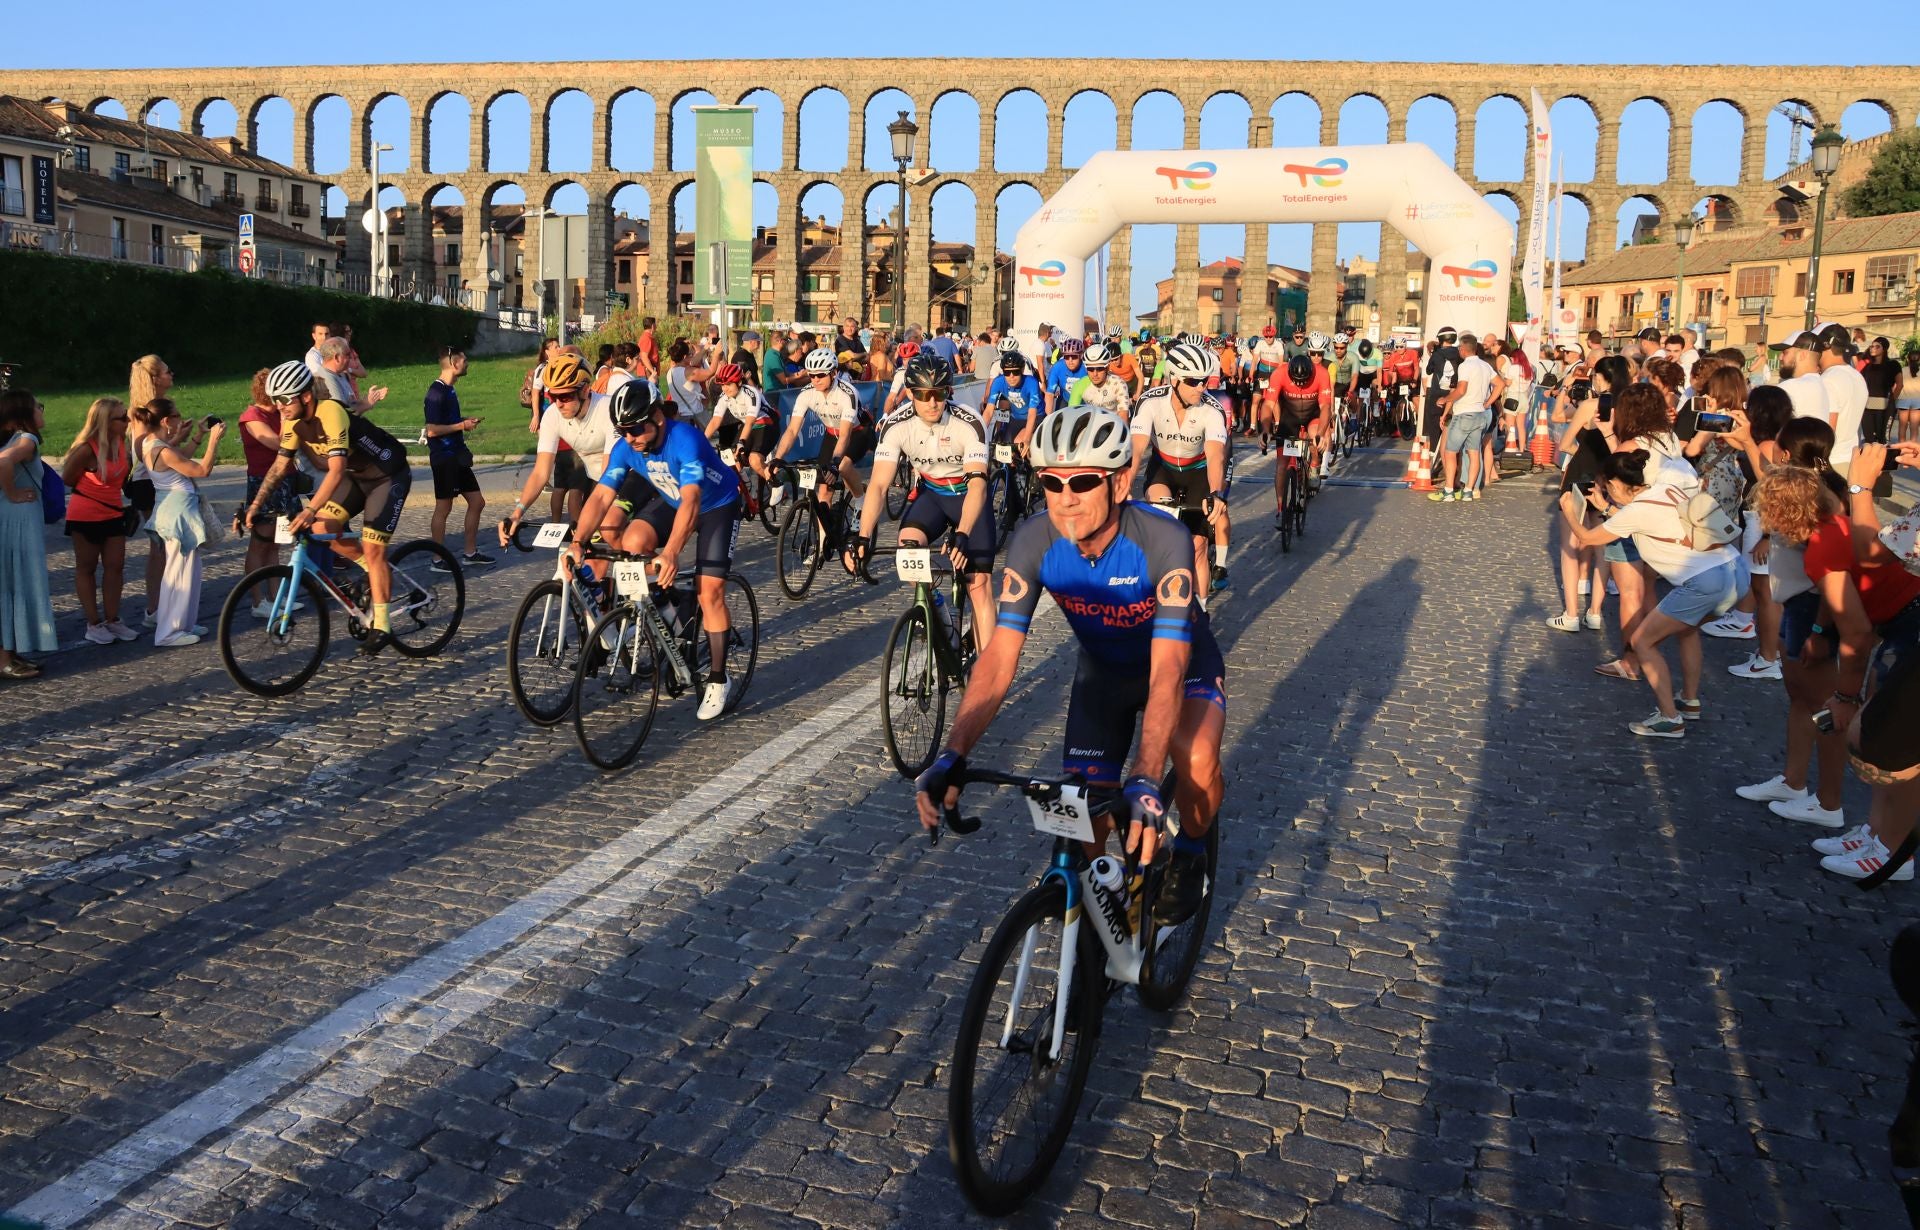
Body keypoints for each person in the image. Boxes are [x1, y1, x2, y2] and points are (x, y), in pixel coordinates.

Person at [913, 405, 1226, 925]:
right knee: (1079, 829)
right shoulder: (1035, 542)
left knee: (1191, 759)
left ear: (1121, 481)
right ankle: (1093, 959)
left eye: (1083, 480)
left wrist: (1147, 778)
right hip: (1103, 675)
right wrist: (953, 752)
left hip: (1181, 665)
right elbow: (998, 659)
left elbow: (1168, 669)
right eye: (1051, 483)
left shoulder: (1162, 542)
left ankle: (1192, 849)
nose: (1066, 499)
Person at [1751, 444, 1920, 879]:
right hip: (1902, 624)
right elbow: (1841, 600)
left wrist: (1845, 695)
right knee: (1886, 745)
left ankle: (1895, 852)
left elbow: (1858, 634)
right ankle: (1879, 834)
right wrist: (1823, 634)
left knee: (1898, 749)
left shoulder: (1822, 547)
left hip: (1907, 628)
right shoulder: (1836, 527)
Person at [564, 381, 742, 721]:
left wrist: (672, 552)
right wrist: (579, 541)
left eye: (634, 429)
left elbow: (693, 501)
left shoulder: (685, 440)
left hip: (715, 505)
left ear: (657, 417)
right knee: (632, 544)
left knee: (710, 592)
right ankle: (673, 608)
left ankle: (719, 678)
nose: (629, 437)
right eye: (622, 431)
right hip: (674, 498)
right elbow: (602, 495)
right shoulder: (627, 446)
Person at [1559, 448, 1745, 738]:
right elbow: (1642, 521)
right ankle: (1690, 702)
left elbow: (1587, 538)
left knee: (1643, 641)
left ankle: (1670, 719)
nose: (1608, 496)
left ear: (1617, 484)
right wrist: (1608, 510)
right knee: (1687, 630)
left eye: (1608, 490)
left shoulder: (1634, 511)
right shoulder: (1664, 490)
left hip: (1705, 582)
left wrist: (1571, 512)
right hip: (1735, 569)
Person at [239, 361, 411, 657]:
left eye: (283, 399)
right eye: (274, 400)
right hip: (357, 478)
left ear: (305, 396)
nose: (278, 406)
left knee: (372, 545)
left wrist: (310, 508)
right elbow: (280, 464)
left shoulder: (330, 413)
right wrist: (254, 505)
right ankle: (374, 573)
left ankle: (383, 625)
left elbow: (334, 470)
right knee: (322, 529)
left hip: (387, 475)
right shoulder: (291, 421)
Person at [1734, 418, 1854, 826]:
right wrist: (1749, 441)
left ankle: (1829, 803)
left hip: (1813, 603)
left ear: (1786, 452)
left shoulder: (1823, 494)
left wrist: (1821, 631)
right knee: (1801, 699)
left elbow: (1834, 567)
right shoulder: (1805, 483)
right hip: (1798, 600)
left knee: (1824, 707)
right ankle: (1794, 780)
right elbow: (1765, 475)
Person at [846, 355, 996, 644]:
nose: (932, 402)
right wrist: (863, 537)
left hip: (968, 498)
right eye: (923, 394)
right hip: (934, 496)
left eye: (939, 393)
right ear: (910, 394)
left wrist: (963, 533)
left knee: (978, 584)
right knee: (907, 552)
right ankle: (938, 611)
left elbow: (978, 487)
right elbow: (877, 486)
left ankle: (988, 677)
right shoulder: (895, 425)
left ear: (948, 392)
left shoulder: (969, 422)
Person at [1133, 343, 1231, 597]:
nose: (1202, 387)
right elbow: (1136, 450)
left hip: (1198, 471)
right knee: (1159, 515)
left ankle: (1200, 609)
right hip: (1163, 469)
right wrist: (1121, 488)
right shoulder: (1150, 403)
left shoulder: (1212, 409)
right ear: (1173, 379)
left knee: (1197, 545)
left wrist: (1216, 493)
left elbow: (1215, 455)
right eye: (1193, 381)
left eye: (1204, 380)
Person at [499, 353, 619, 546]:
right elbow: (540, 473)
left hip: (627, 477)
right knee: (584, 554)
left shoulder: (607, 410)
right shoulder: (553, 415)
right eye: (553, 396)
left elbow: (610, 471)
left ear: (585, 390)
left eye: (565, 396)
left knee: (612, 531)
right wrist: (517, 513)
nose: (558, 403)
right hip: (598, 480)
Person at [134, 398, 224, 648]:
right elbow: (201, 470)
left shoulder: (154, 444)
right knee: (178, 573)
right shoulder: (162, 449)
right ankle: (169, 632)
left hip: (174, 509)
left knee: (189, 571)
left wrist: (196, 436)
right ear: (165, 420)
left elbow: (180, 458)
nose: (180, 417)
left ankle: (182, 623)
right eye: (176, 415)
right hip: (178, 512)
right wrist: (214, 440)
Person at [61, 397, 138, 644]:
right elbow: (68, 478)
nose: (127, 421)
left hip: (113, 512)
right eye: (122, 417)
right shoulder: (86, 449)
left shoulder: (122, 444)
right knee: (87, 567)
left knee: (115, 565)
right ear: (106, 421)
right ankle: (93, 623)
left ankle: (113, 619)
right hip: (85, 514)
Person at [770, 348, 874, 507]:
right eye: (811, 375)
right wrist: (778, 458)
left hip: (857, 433)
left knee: (843, 466)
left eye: (820, 375)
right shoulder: (806, 394)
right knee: (823, 493)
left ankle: (860, 502)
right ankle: (825, 531)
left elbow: (845, 435)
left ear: (834, 373)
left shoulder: (847, 394)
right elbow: (792, 430)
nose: (815, 379)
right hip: (832, 434)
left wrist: (835, 462)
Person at [0, 389, 57, 679]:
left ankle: (10, 650)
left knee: (11, 582)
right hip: (17, 520)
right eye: (38, 406)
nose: (42, 410)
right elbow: (3, 462)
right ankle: (4, 657)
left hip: (11, 519)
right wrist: (12, 493)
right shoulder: (27, 439)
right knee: (14, 583)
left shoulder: (12, 438)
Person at [422, 346, 490, 569]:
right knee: (443, 508)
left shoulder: (450, 390)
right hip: (444, 458)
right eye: (464, 359)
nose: (467, 362)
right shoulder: (436, 392)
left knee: (477, 502)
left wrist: (464, 421)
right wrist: (461, 425)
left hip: (457, 456)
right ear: (453, 363)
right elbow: (431, 430)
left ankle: (470, 553)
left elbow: (446, 421)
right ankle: (437, 559)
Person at [126, 354, 174, 627]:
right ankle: (156, 607)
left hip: (154, 480)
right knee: (160, 545)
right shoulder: (144, 411)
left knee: (162, 545)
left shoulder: (152, 407)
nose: (171, 375)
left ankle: (160, 605)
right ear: (155, 378)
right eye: (168, 371)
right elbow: (142, 449)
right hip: (150, 482)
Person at [1430, 336, 1502, 502]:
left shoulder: (1465, 366)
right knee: (1474, 452)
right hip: (1480, 414)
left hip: (1464, 413)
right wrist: (1488, 402)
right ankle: (1469, 490)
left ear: (1462, 350)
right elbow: (1500, 384)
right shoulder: (1485, 365)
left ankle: (1448, 490)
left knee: (1450, 452)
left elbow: (1461, 390)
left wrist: (1445, 399)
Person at [705, 363, 779, 492]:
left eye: (728, 384)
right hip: (749, 426)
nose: (725, 389)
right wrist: (702, 440)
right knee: (733, 461)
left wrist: (741, 443)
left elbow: (750, 422)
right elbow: (715, 421)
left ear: (739, 382)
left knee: (754, 460)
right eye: (722, 385)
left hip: (767, 424)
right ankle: (746, 490)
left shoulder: (751, 393)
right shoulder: (724, 397)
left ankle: (776, 486)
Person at [1813, 323, 1868, 483]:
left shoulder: (1828, 380)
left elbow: (1828, 430)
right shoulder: (1857, 377)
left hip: (1831, 463)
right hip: (1850, 460)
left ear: (1825, 345)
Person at [985, 351, 1045, 453]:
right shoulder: (998, 382)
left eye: (1016, 372)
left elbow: (1032, 414)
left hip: (1036, 417)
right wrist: (979, 433)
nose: (1011, 376)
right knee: (1006, 450)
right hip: (1015, 418)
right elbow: (988, 411)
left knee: (1019, 443)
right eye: (1007, 373)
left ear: (1022, 370)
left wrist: (1026, 439)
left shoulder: (1031, 383)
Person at [1069, 343, 1132, 421]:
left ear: (1108, 368)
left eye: (1099, 368)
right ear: (1086, 369)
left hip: (1115, 424)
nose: (1095, 374)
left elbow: (1123, 416)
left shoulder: (1118, 384)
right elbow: (1071, 415)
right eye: (1091, 369)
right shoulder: (1079, 385)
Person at [1861, 336, 1903, 446]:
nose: (1872, 348)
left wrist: (1892, 401)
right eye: (1871, 346)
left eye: (1877, 346)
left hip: (1885, 406)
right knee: (1869, 439)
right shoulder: (1867, 365)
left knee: (1883, 439)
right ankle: (1870, 462)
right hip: (1867, 406)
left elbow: (1900, 384)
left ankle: (1885, 462)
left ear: (1884, 349)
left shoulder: (1893, 364)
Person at [664, 338, 712, 424]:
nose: (692, 356)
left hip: (680, 414)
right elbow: (710, 373)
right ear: (684, 357)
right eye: (690, 354)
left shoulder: (670, 372)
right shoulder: (687, 372)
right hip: (692, 416)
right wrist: (716, 356)